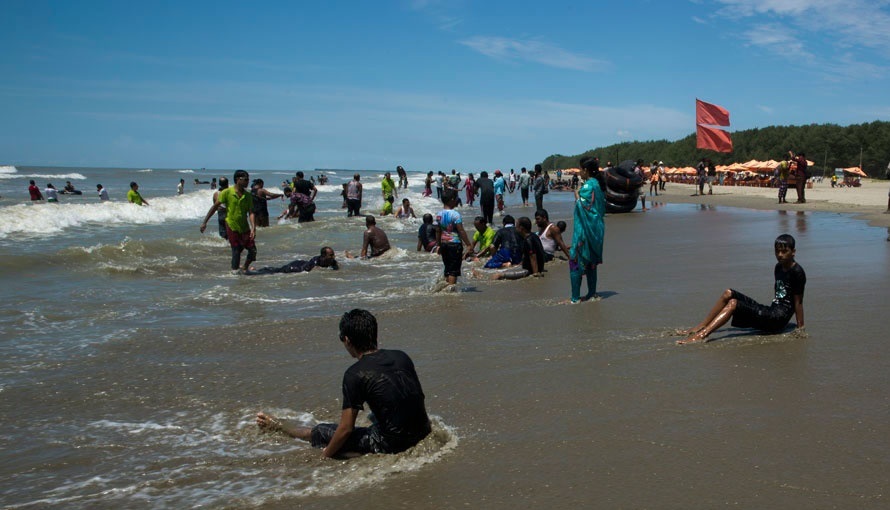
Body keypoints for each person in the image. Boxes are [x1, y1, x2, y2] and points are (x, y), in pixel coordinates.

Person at [256, 309, 432, 457]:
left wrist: (326, 455)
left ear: (347, 340)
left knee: (320, 431)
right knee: (374, 415)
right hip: (423, 431)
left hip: (393, 444)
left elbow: (346, 429)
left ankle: (277, 426)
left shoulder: (355, 374)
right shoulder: (401, 356)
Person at [677, 234, 806, 344]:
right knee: (729, 293)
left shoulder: (797, 272)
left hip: (778, 319)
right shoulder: (778, 267)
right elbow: (779, 294)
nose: (780, 255)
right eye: (777, 251)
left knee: (734, 304)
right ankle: (702, 325)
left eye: (784, 251)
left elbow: (798, 302)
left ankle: (702, 335)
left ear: (793, 252)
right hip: (771, 310)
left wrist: (800, 329)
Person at [199, 169, 257, 272]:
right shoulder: (226, 192)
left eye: (248, 179)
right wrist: (205, 222)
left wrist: (253, 228)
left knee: (253, 250)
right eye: (245, 179)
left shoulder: (248, 196)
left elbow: (251, 212)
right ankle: (235, 273)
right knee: (236, 250)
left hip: (244, 227)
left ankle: (244, 267)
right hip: (231, 225)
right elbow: (214, 207)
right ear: (237, 179)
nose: (248, 181)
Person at [567, 158, 605, 304]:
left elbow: (583, 206)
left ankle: (575, 298)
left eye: (580, 169)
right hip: (596, 229)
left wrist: (577, 195)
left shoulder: (589, 185)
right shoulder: (597, 184)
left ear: (586, 170)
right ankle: (592, 293)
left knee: (575, 260)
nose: (579, 171)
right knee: (591, 263)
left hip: (585, 230)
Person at [474, 216, 544, 281]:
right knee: (507, 270)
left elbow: (533, 256)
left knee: (499, 275)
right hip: (530, 266)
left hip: (528, 270)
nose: (515, 228)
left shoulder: (528, 240)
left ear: (521, 228)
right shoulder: (534, 236)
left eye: (516, 226)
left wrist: (536, 274)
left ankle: (481, 276)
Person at [434, 189, 472, 287]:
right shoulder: (455, 214)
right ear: (451, 200)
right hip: (454, 244)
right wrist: (468, 244)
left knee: (447, 269)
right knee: (454, 271)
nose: (457, 201)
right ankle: (451, 292)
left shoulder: (438, 214)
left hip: (444, 244)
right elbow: (461, 230)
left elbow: (438, 231)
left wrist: (438, 245)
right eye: (456, 199)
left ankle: (447, 286)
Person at [246, 246, 339, 275]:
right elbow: (308, 271)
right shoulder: (316, 260)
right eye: (331, 255)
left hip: (301, 263)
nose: (333, 256)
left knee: (276, 270)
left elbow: (337, 270)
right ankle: (254, 271)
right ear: (323, 256)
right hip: (294, 267)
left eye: (333, 254)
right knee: (275, 271)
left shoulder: (333, 262)